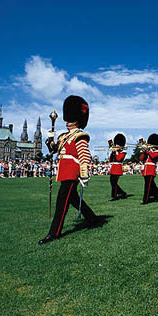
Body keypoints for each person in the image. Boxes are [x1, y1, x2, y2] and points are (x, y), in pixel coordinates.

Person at [39, 95, 104, 245]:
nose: (67, 122)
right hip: (64, 171)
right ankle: (93, 219)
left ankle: (54, 233)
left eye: (70, 120)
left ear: (77, 120)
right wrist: (49, 140)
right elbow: (53, 150)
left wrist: (84, 174)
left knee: (62, 202)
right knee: (73, 199)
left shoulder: (80, 136)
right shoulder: (63, 136)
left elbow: (84, 156)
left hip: (72, 172)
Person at [141, 133, 158, 204]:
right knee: (151, 184)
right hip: (146, 169)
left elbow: (153, 157)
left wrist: (148, 150)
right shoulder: (148, 152)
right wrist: (144, 152)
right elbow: (141, 159)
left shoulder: (157, 152)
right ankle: (156, 195)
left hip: (151, 169)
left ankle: (145, 200)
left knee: (147, 185)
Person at [108, 133, 128, 200]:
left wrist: (116, 152)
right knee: (112, 182)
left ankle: (114, 196)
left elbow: (119, 159)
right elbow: (110, 159)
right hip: (113, 167)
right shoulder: (115, 151)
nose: (116, 146)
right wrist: (112, 152)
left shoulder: (123, 152)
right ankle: (122, 193)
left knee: (114, 183)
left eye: (117, 145)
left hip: (118, 168)